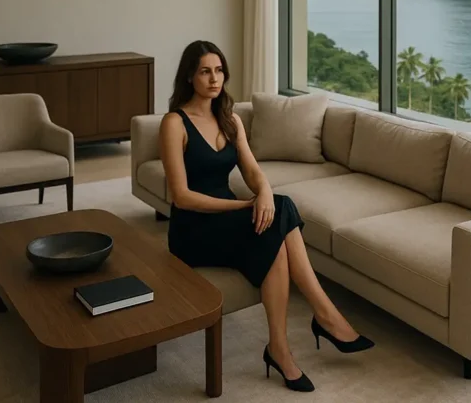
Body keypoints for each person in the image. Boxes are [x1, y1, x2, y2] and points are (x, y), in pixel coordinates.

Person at [160, 40, 373, 393]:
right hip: (193, 231)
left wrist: (265, 193)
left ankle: (280, 347)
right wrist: (246, 205)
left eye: (219, 70)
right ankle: (325, 315)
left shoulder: (230, 121)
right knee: (279, 214)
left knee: (275, 224)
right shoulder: (174, 123)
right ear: (189, 77)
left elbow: (254, 173)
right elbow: (181, 197)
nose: (215, 78)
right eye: (205, 71)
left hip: (227, 222)